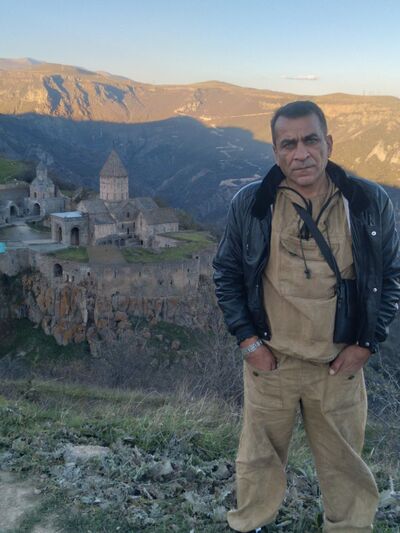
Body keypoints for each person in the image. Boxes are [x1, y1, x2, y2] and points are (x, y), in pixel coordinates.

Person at [213, 100, 400, 533]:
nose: (301, 154)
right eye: (289, 144)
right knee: (258, 459)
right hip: (271, 362)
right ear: (275, 151)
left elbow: (389, 275)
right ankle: (250, 525)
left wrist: (367, 343)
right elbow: (226, 272)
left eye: (311, 140)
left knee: (345, 465)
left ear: (328, 143)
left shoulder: (367, 202)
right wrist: (248, 342)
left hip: (338, 366)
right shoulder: (253, 204)